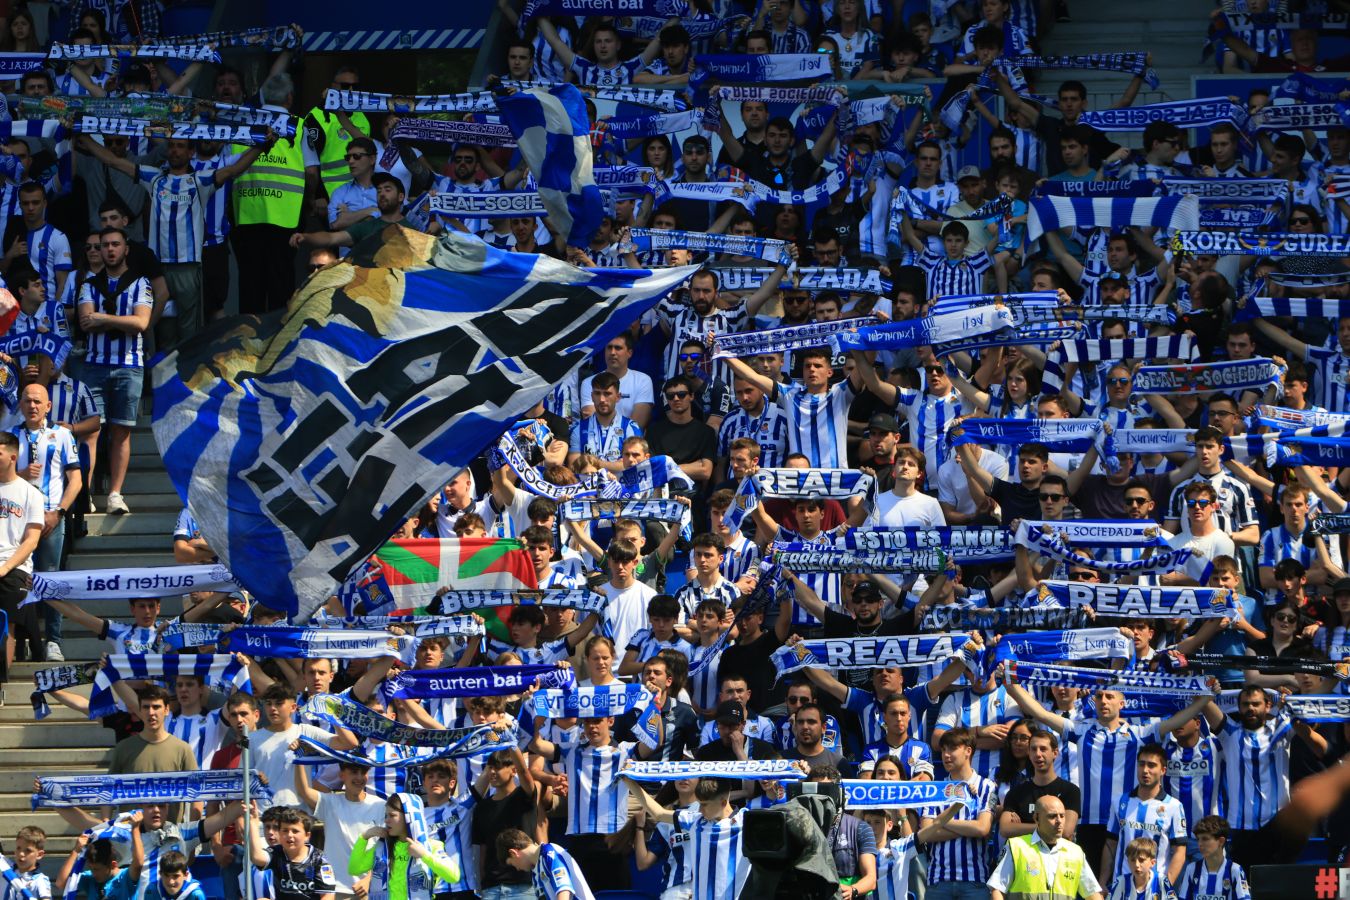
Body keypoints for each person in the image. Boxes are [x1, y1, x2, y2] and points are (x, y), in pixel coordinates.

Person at [77, 226, 153, 516]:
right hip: (95, 364)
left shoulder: (141, 282)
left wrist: (103, 318)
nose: (109, 250)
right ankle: (85, 494)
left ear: (126, 248)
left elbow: (142, 324)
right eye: (104, 245)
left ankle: (115, 495)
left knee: (121, 432)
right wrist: (122, 320)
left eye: (114, 244)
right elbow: (85, 322)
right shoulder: (88, 284)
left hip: (129, 365)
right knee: (91, 432)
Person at [11, 382, 81, 662]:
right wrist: (21, 472)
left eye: (38, 401)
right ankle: (21, 641)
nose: (32, 406)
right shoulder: (9, 437)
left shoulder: (62, 435)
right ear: (20, 404)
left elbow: (74, 479)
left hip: (51, 516)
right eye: (27, 401)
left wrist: (59, 512)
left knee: (49, 578)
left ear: (48, 406)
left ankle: (53, 640)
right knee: (19, 580)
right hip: (18, 519)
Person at [988, 796, 1104, 900]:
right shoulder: (1016, 846)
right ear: (1037, 818)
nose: (1059, 821)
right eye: (1052, 816)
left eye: (1062, 816)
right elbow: (997, 889)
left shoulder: (1075, 852)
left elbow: (1092, 893)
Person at [350, 793, 462, 900]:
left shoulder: (431, 846)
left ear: (409, 817)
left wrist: (424, 855)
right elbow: (354, 869)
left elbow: (453, 876)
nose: (386, 820)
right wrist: (364, 837)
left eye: (392, 815)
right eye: (386, 815)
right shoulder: (383, 847)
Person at [246, 806, 338, 900]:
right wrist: (253, 823)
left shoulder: (319, 860)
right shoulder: (276, 852)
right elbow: (257, 858)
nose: (289, 835)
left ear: (307, 835)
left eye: (295, 831)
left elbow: (328, 896)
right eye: (285, 831)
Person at [497, 827, 597, 900]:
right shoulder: (535, 872)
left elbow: (564, 890)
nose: (517, 869)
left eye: (512, 864)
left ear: (513, 853)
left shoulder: (550, 852)